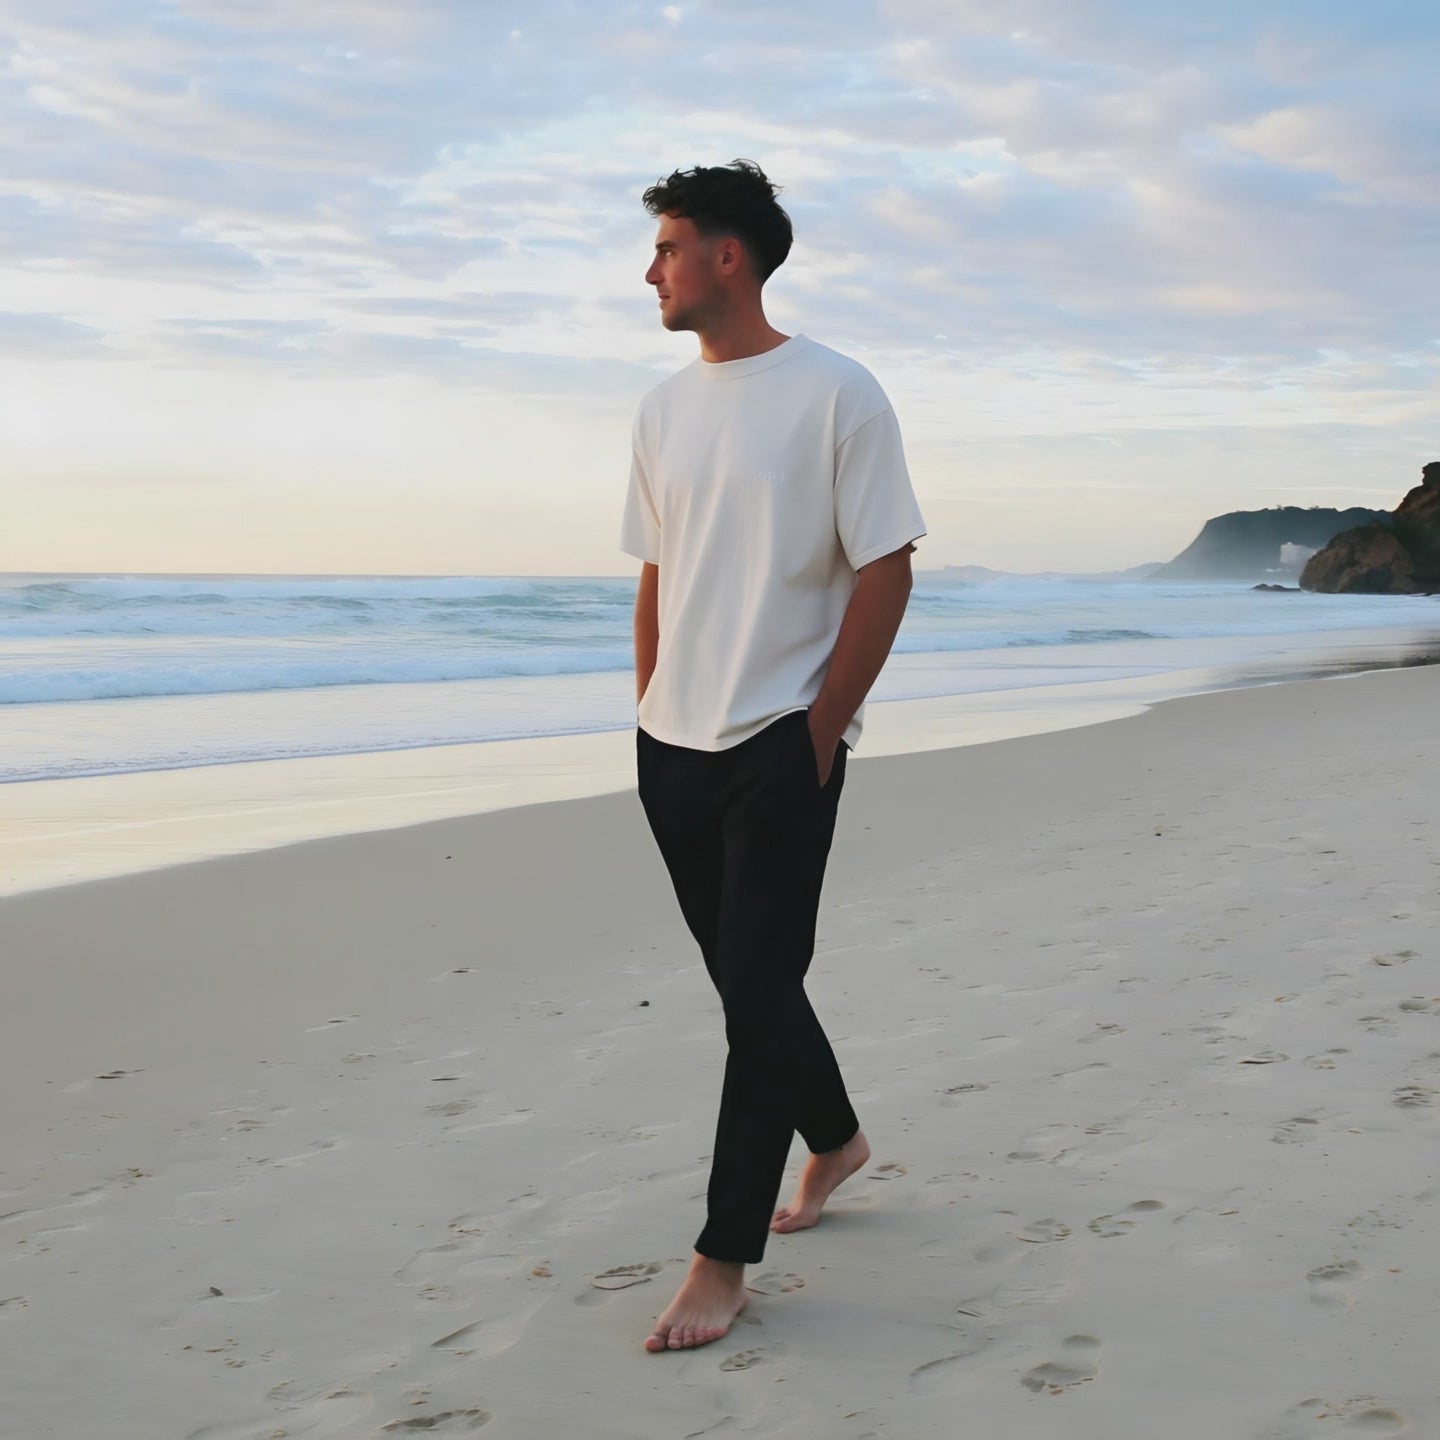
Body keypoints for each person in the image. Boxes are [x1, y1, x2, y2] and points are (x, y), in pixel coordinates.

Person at [619, 159, 927, 1353]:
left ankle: (721, 1257)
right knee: (752, 983)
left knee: (752, 991)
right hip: (673, 744)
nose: (652, 269)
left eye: (669, 246)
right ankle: (838, 1138)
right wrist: (649, 703)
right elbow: (657, 569)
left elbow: (886, 563)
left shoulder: (838, 392)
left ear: (728, 256)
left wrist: (821, 728)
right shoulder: (659, 408)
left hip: (776, 744)